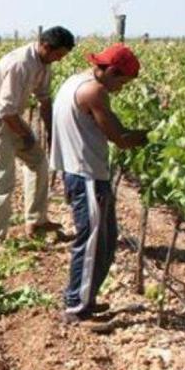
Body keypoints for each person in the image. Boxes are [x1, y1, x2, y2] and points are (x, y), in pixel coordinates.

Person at [49, 44, 149, 325]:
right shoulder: (94, 91)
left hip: (81, 173)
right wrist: (157, 136)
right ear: (113, 71)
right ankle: (76, 308)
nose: (120, 89)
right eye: (122, 81)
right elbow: (120, 137)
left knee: (105, 241)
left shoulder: (74, 81)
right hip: (87, 177)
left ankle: (86, 299)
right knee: (92, 242)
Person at [0, 26, 76, 254]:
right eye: (58, 55)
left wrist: (52, 132)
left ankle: (36, 221)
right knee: (3, 177)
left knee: (39, 162)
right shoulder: (20, 63)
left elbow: (44, 99)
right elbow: (6, 111)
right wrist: (26, 134)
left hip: (10, 118)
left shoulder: (43, 64)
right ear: (45, 46)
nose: (59, 61)